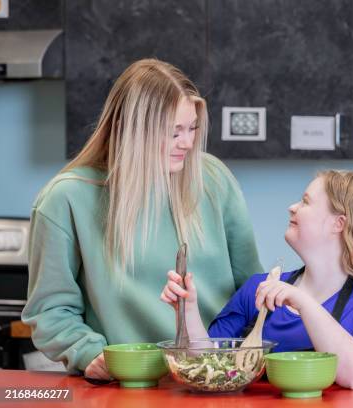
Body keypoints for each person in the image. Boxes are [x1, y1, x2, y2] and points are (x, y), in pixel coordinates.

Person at [22, 59, 263, 380]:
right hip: (125, 386)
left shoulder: (214, 180)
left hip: (214, 383)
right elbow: (49, 312)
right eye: (174, 132)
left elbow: (252, 292)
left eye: (192, 128)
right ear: (131, 130)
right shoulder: (65, 200)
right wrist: (88, 352)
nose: (188, 143)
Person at [161, 170, 353, 389]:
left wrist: (303, 302)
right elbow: (209, 366)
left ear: (338, 223)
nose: (292, 207)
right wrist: (188, 309)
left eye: (306, 202)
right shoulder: (259, 289)